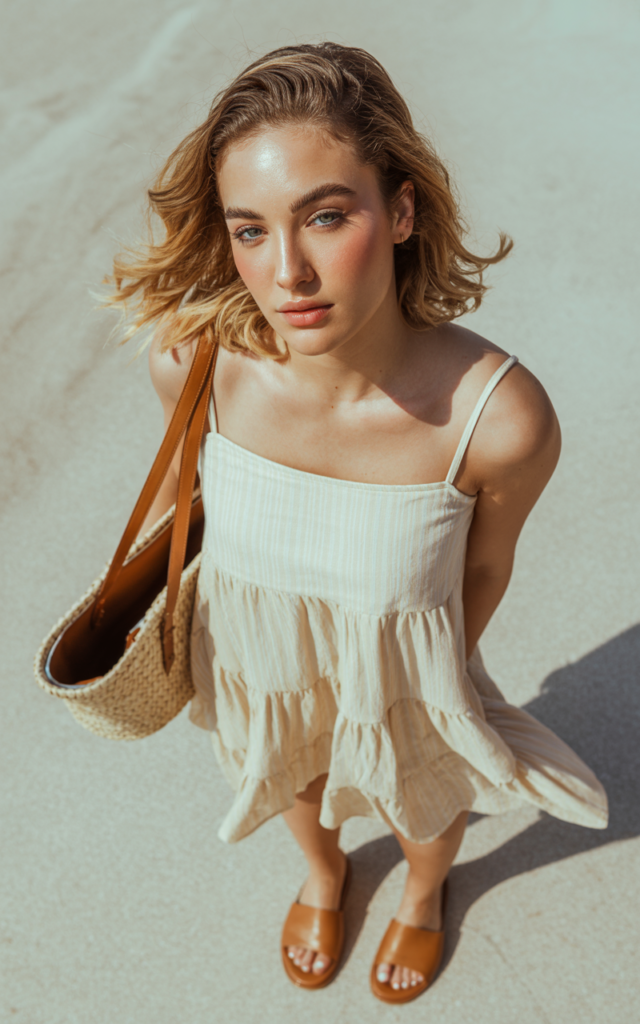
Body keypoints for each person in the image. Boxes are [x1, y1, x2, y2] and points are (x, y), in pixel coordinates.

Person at [106, 42, 607, 1004]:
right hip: (257, 654)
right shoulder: (193, 365)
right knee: (291, 775)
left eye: (326, 217)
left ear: (403, 208)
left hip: (410, 665)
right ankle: (327, 874)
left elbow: (488, 569)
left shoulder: (496, 419)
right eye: (249, 231)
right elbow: (184, 506)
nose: (286, 269)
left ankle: (423, 895)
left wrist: (432, 679)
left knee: (423, 798)